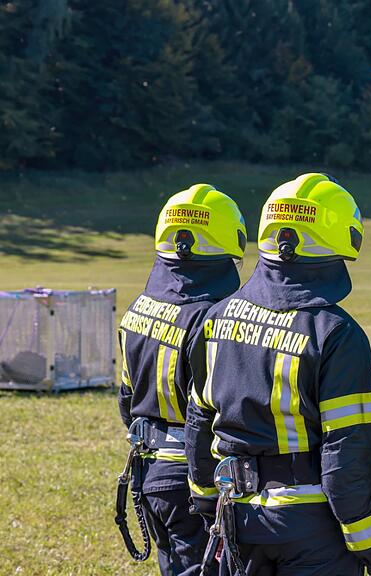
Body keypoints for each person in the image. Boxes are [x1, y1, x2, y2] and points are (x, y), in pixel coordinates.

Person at [184, 173, 371, 576]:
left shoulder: (215, 318)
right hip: (309, 526)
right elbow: (347, 453)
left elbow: (199, 423)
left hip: (236, 516)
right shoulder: (335, 333)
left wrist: (205, 501)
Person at [116, 184, 246, 575]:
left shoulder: (139, 305)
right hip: (192, 480)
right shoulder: (210, 316)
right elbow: (214, 413)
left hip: (150, 470)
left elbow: (126, 397)